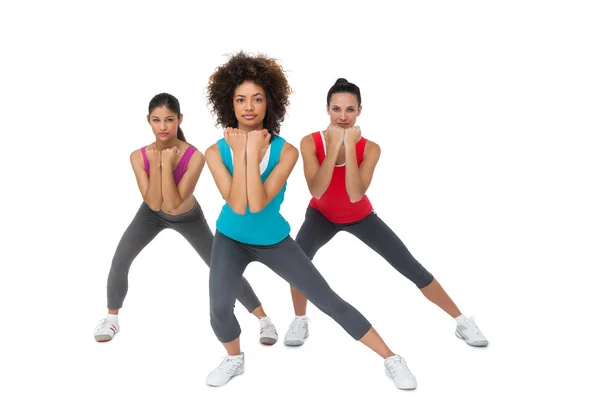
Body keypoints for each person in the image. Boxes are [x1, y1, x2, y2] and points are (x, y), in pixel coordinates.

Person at [203, 52, 417, 390]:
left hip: (274, 241)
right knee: (218, 308)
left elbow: (257, 205)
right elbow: (236, 204)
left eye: (257, 99)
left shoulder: (286, 151)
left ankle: (391, 358)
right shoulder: (215, 152)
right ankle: (234, 358)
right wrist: (242, 150)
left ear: (269, 103)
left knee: (327, 299)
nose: (249, 107)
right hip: (230, 238)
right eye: (241, 99)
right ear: (229, 104)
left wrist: (246, 151)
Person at [282, 78, 489, 349]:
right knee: (299, 263)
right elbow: (317, 190)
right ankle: (300, 320)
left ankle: (462, 321)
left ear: (359, 111)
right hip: (321, 216)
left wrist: (350, 148)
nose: (343, 117)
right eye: (336, 109)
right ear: (327, 109)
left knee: (409, 266)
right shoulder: (310, 142)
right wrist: (334, 146)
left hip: (360, 216)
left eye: (350, 110)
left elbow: (355, 194)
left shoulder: (370, 148)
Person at [93, 93, 278, 345]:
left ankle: (263, 320)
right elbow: (154, 203)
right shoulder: (138, 156)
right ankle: (111, 318)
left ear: (179, 119)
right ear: (148, 120)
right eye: (156, 120)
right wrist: (158, 164)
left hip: (187, 217)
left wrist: (166, 164)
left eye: (169, 119)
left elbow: (173, 203)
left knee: (220, 267)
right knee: (121, 258)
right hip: (151, 215)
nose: (163, 127)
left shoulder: (195, 156)